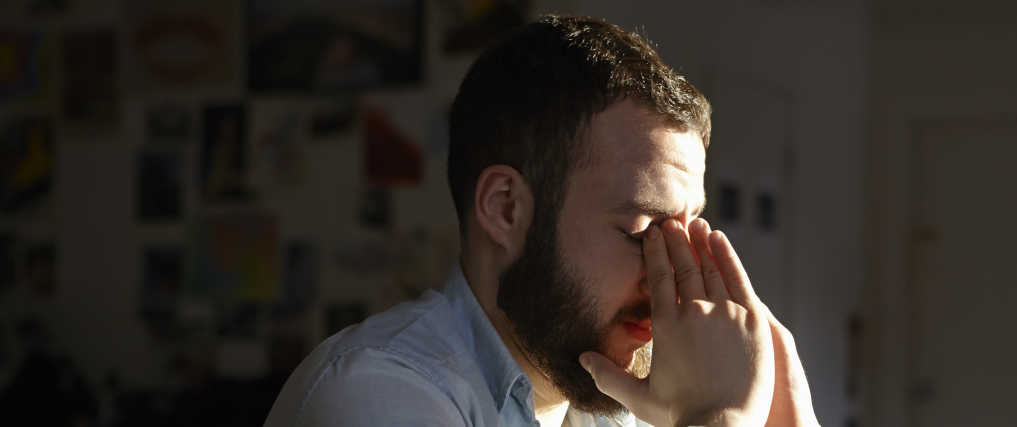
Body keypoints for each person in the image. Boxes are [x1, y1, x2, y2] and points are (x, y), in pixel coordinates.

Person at [264, 15, 818, 427]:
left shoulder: (614, 408)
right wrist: (719, 416)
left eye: (687, 230)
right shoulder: (374, 393)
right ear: (505, 208)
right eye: (641, 232)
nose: (670, 275)